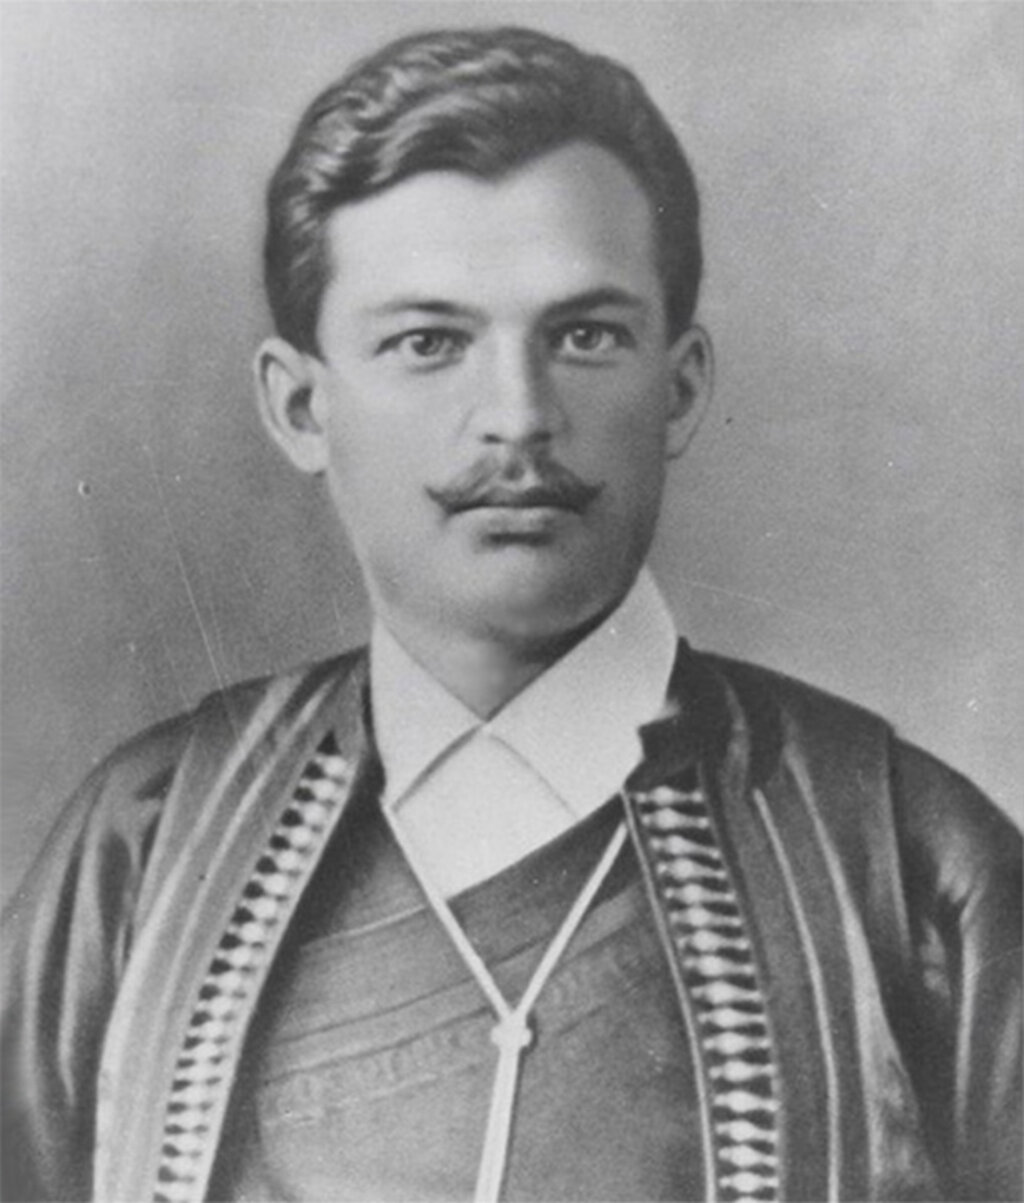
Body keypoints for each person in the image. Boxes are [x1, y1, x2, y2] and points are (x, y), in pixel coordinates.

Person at [2, 24, 1020, 1203]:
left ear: (680, 387)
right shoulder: (145, 848)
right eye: (428, 342)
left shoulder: (912, 867)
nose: (519, 416)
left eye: (584, 336)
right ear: (298, 408)